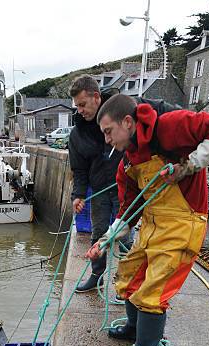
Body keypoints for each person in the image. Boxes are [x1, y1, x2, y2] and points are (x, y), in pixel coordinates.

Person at [86, 93, 209, 346]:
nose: (107, 140)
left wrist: (191, 164)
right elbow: (128, 211)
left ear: (128, 122)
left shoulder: (170, 126)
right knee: (129, 273)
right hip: (154, 223)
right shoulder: (127, 165)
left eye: (109, 132)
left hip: (184, 221)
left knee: (154, 289)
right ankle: (134, 329)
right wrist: (104, 241)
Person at [68, 75, 126, 292]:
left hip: (125, 189)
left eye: (83, 104)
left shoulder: (121, 115)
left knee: (127, 237)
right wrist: (78, 195)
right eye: (77, 106)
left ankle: (126, 284)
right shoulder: (77, 135)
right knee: (98, 234)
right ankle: (96, 276)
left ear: (96, 97)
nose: (80, 110)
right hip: (100, 190)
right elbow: (79, 170)